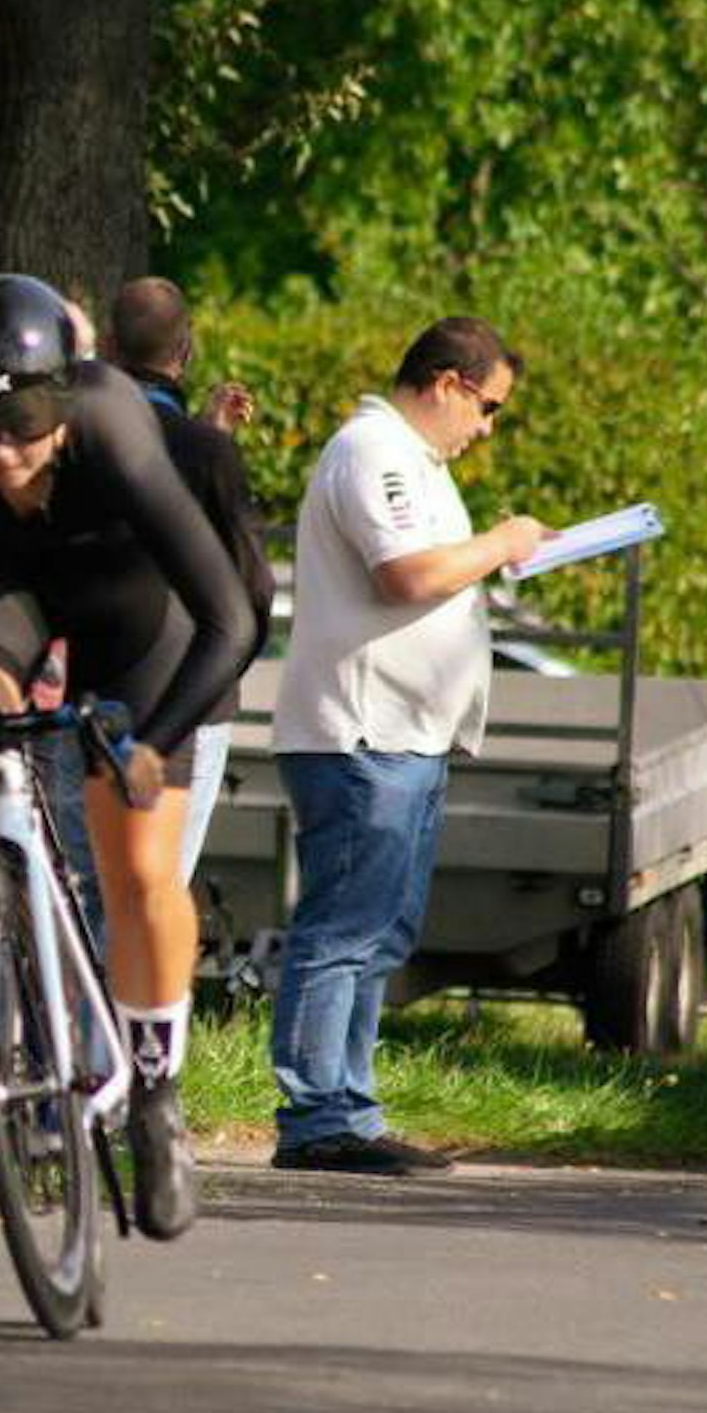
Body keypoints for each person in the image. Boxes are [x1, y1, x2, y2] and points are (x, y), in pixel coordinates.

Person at [0, 275, 255, 1239]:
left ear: (61, 399)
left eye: (24, 426)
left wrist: (151, 746)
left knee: (142, 864)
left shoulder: (112, 424)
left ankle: (156, 1097)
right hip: (9, 595)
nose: (3, 456)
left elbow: (230, 618)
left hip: (135, 610)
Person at [269, 316, 550, 1175]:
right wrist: (503, 544)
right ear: (448, 383)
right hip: (364, 732)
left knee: (379, 931)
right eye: (490, 407)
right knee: (346, 928)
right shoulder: (375, 453)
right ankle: (320, 1117)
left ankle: (348, 1106)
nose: (487, 429)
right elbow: (407, 575)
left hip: (402, 733)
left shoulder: (411, 462)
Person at [40, 276, 275, 947]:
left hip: (87, 683)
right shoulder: (207, 453)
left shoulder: (67, 438)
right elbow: (249, 591)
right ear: (188, 350)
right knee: (154, 887)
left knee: (79, 884)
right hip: (190, 696)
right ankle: (137, 1042)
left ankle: (65, 1038)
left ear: (109, 346)